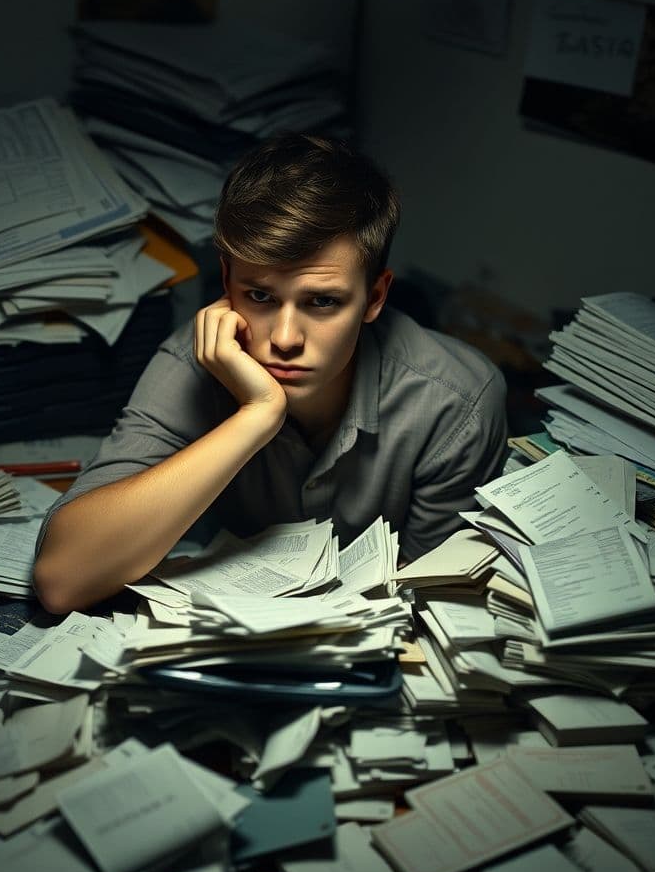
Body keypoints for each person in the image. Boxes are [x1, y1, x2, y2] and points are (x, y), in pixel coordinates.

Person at [34, 134, 508, 614]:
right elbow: (63, 580)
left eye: (322, 302)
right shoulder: (193, 360)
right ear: (226, 283)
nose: (284, 337)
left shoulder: (457, 401)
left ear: (376, 297)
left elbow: (429, 612)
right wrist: (258, 414)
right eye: (260, 296)